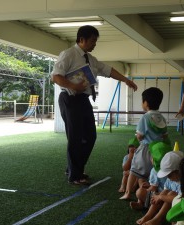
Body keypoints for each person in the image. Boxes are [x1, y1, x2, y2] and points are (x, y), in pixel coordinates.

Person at [51, 25, 137, 185]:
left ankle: (74, 168)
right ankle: (75, 175)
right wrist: (73, 86)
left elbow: (108, 70)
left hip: (83, 100)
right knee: (75, 138)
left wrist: (126, 80)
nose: (94, 44)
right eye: (92, 41)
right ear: (81, 39)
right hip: (69, 99)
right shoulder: (68, 54)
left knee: (90, 136)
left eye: (95, 41)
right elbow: (56, 77)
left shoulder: (91, 59)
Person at [120, 87, 168, 200]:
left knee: (134, 171)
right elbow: (165, 135)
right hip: (157, 150)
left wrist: (137, 137)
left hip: (145, 148)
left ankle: (127, 193)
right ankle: (150, 193)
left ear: (145, 103)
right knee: (154, 172)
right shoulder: (162, 118)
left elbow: (140, 135)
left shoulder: (145, 117)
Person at [136, 151, 183, 225]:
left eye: (169, 175)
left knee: (170, 193)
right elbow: (164, 191)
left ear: (179, 171)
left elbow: (181, 199)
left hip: (179, 208)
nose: (168, 177)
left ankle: (157, 219)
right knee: (165, 192)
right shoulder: (170, 179)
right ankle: (148, 216)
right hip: (168, 206)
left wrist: (160, 197)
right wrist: (156, 197)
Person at [130, 141, 171, 210]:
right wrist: (149, 185)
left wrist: (148, 188)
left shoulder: (154, 171)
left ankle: (145, 204)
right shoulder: (175, 168)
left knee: (139, 192)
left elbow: (153, 188)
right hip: (171, 198)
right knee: (141, 181)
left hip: (161, 196)